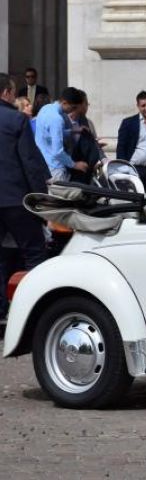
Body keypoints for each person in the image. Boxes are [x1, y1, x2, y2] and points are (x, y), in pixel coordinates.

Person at [0, 73, 50, 319]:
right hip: (15, 199)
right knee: (34, 253)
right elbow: (30, 163)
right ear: (7, 93)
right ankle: (34, 312)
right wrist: (42, 201)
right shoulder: (17, 120)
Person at [34, 87, 89, 183]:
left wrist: (73, 131)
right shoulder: (57, 119)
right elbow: (57, 152)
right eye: (73, 107)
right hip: (55, 170)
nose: (73, 111)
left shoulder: (45, 109)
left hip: (41, 164)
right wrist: (75, 164)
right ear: (64, 103)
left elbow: (49, 135)